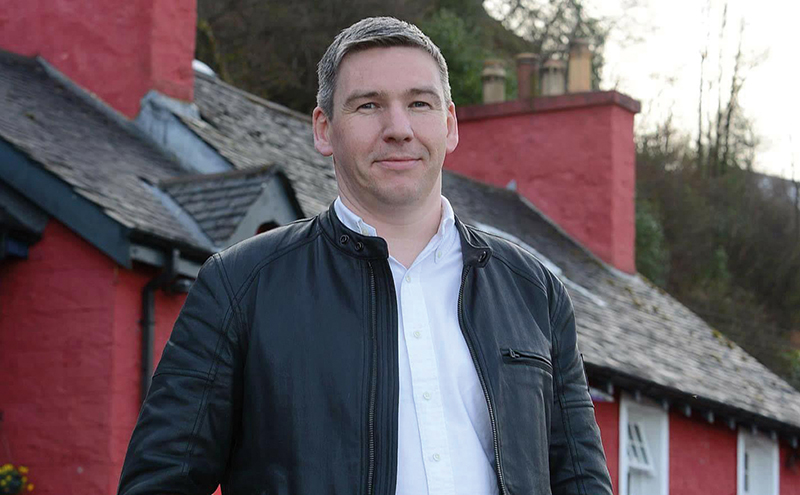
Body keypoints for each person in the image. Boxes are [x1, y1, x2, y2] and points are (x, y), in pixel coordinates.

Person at [117, 16, 613, 495]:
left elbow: (583, 483)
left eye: (419, 103)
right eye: (369, 105)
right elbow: (159, 482)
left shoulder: (534, 293)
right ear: (324, 129)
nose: (398, 128)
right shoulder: (239, 287)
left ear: (449, 124)